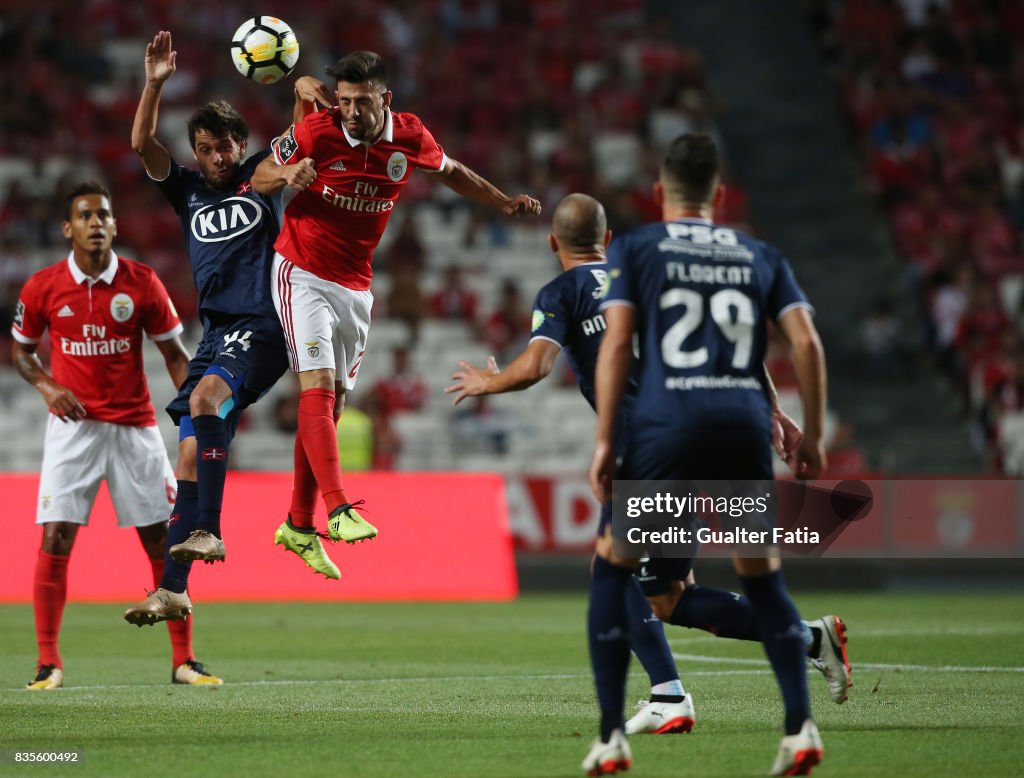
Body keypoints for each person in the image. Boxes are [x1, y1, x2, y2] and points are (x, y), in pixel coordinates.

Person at [446, 193, 850, 746]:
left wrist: (486, 382)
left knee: (609, 572)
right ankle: (809, 639)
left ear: (552, 243)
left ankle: (668, 696)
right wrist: (775, 408)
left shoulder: (561, 292)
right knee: (667, 594)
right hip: (711, 433)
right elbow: (731, 344)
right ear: (608, 239)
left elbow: (536, 366)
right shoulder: (651, 273)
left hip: (652, 447)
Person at [588, 134, 830, 776]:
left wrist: (609, 438)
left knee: (610, 571)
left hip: (669, 427)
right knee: (760, 575)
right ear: (719, 196)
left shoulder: (638, 248)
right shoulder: (758, 254)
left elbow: (616, 347)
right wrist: (812, 431)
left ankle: (614, 732)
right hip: (742, 423)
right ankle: (799, 727)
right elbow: (804, 342)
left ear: (659, 194)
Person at [251, 50, 541, 551]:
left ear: (385, 99)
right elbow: (258, 176)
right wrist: (286, 174)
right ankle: (338, 508)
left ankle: (299, 525)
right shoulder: (316, 132)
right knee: (315, 388)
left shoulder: (409, 135)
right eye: (343, 101)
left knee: (333, 406)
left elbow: (452, 172)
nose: (352, 112)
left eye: (362, 102)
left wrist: (501, 201)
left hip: (356, 284)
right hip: (301, 269)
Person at [123, 31, 340, 618]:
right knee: (189, 456)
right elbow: (142, 142)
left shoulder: (254, 176)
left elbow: (279, 165)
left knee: (207, 401)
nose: (216, 157)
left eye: (224, 146)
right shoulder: (188, 191)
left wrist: (298, 94)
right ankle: (173, 587)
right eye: (205, 148)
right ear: (195, 153)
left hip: (264, 323)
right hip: (217, 334)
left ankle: (212, 531)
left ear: (239, 144)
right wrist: (154, 83)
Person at [11, 181, 220, 688]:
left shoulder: (142, 282)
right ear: (68, 228)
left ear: (114, 225)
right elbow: (22, 351)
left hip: (134, 427)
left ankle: (184, 660)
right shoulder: (42, 287)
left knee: (162, 541)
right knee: (56, 535)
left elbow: (174, 356)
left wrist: (195, 419)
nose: (97, 223)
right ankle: (48, 663)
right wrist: (47, 385)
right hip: (73, 430)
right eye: (86, 216)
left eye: (104, 215)